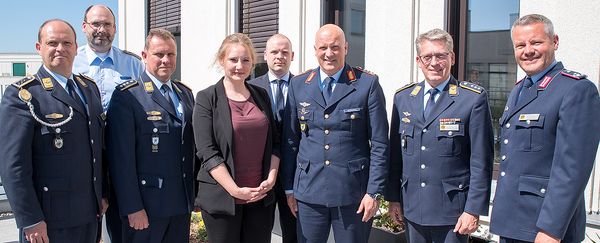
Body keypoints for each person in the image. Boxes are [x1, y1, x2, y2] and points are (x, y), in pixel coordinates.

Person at [490, 14, 600, 243]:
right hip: (513, 223)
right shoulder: (520, 90)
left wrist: (551, 229)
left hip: (545, 229)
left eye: (536, 42)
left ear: (555, 42)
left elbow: (572, 170)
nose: (527, 50)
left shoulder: (576, 90)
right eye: (520, 45)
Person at [0, 19, 105, 243]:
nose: (60, 48)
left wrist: (103, 194)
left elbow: (98, 149)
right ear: (39, 48)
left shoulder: (89, 89)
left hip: (89, 214)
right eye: (52, 43)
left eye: (67, 42)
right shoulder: (23, 96)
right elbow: (13, 166)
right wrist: (30, 219)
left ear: (77, 48)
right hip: (49, 221)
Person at [281, 24, 389, 243]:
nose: (329, 54)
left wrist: (373, 192)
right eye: (323, 48)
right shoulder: (299, 84)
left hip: (353, 194)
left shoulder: (366, 84)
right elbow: (290, 140)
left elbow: (380, 143)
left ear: (346, 48)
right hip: (309, 191)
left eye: (335, 47)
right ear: (315, 49)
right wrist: (289, 188)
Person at [385, 28, 494, 243]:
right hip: (413, 208)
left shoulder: (472, 99)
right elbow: (395, 156)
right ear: (418, 60)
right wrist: (393, 198)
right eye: (427, 56)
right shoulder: (404, 98)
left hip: (453, 212)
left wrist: (473, 209)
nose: (434, 62)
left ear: (451, 57)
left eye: (441, 55)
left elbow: (481, 160)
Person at [105, 28, 195, 243]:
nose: (166, 60)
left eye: (171, 54)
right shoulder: (128, 96)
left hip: (179, 205)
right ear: (144, 56)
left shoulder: (185, 93)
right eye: (159, 54)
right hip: (146, 208)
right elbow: (121, 160)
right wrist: (132, 207)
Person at [193, 33, 280, 243]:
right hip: (223, 200)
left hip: (260, 198)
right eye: (233, 59)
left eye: (245, 60)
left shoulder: (262, 95)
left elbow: (275, 143)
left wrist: (271, 178)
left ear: (252, 63)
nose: (239, 65)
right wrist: (236, 190)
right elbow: (207, 151)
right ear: (222, 60)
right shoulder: (206, 98)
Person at [73, 5, 144, 243]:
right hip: (83, 151)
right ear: (85, 27)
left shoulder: (132, 64)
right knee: (85, 222)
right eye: (96, 24)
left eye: (107, 25)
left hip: (123, 150)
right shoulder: (71, 61)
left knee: (122, 220)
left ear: (115, 29)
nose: (101, 30)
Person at [247, 33, 297, 243]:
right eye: (274, 52)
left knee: (293, 233)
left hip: (295, 174)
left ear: (292, 56)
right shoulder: (251, 88)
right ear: (265, 55)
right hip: (260, 175)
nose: (279, 56)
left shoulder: (304, 85)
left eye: (285, 52)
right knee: (258, 232)